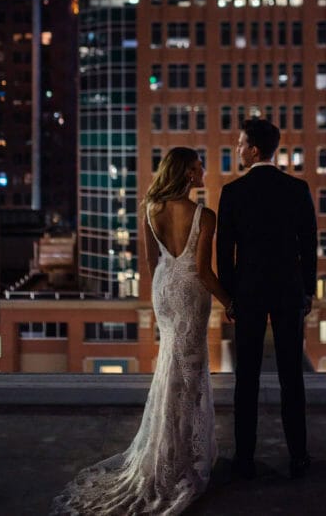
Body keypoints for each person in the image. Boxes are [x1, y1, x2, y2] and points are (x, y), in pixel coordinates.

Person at [50, 147, 232, 515]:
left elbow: (152, 261)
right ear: (183, 173)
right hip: (190, 292)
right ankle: (180, 456)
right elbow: (203, 272)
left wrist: (160, 295)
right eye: (197, 168)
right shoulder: (204, 216)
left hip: (164, 289)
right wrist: (231, 302)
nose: (202, 173)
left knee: (172, 365)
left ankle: (171, 448)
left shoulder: (151, 209)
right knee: (190, 373)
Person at [217, 118, 317, 481]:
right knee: (293, 377)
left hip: (250, 292)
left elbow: (224, 252)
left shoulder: (233, 193)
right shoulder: (297, 189)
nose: (238, 149)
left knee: (247, 378)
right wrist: (308, 290)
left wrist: (230, 296)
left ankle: (244, 458)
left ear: (254, 149)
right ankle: (299, 456)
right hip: (289, 290)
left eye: (241, 143)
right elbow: (308, 245)